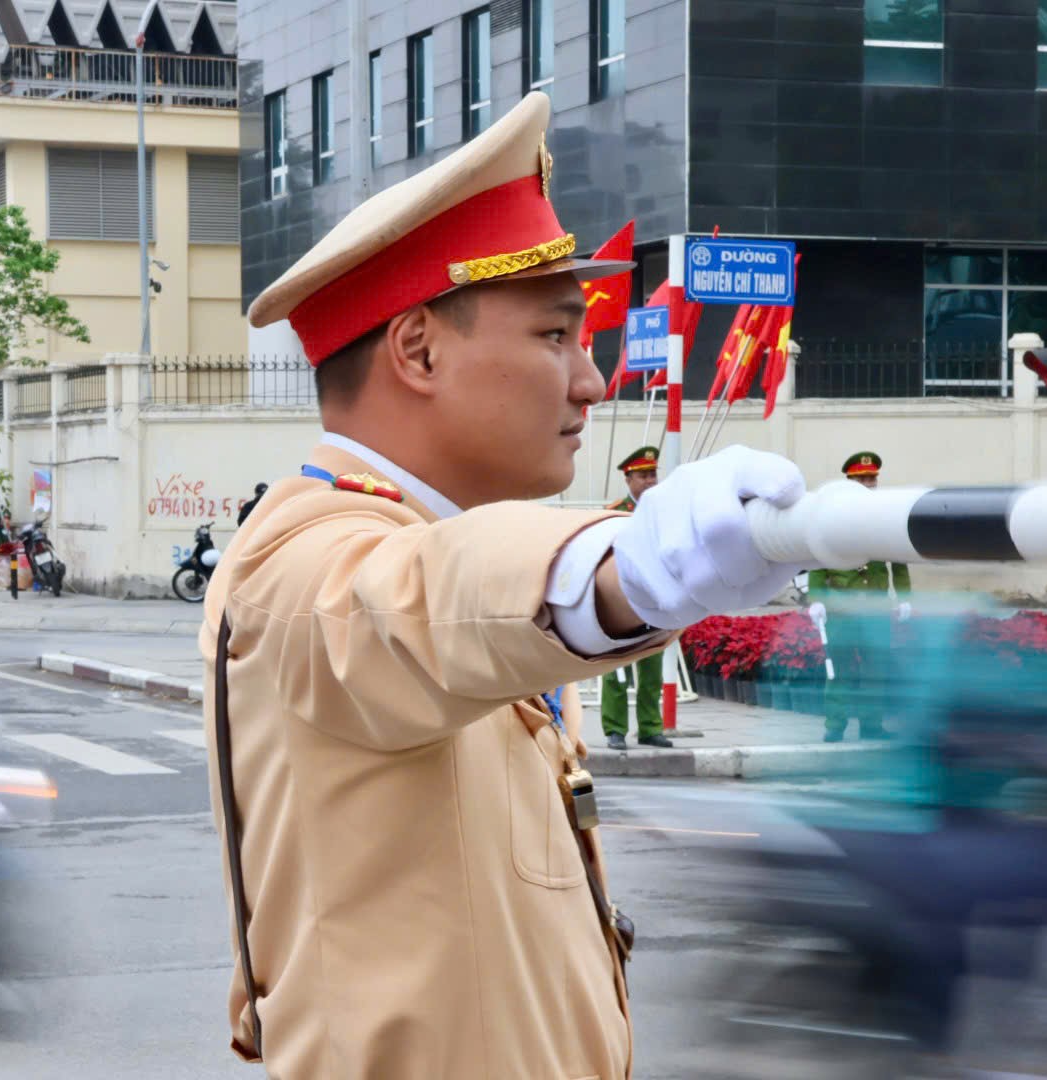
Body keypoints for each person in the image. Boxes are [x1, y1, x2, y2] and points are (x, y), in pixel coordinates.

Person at [200, 92, 805, 1079]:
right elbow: (420, 605)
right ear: (420, 349)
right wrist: (630, 569)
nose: (593, 380)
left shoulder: (427, 533)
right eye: (555, 336)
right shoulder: (298, 560)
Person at [807, 452, 910, 742]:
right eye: (861, 479)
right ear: (849, 481)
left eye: (871, 478)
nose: (868, 483)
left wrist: (904, 596)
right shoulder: (833, 512)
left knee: (875, 670)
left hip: (876, 609)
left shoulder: (886, 514)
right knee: (838, 671)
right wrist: (816, 598)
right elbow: (818, 555)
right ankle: (835, 726)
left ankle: (872, 725)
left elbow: (899, 556)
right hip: (842, 607)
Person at [602, 447, 670, 750]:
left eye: (653, 475)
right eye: (643, 476)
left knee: (652, 669)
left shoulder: (665, 513)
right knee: (616, 668)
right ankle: (615, 729)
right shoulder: (615, 512)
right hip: (621, 601)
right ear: (628, 479)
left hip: (654, 602)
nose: (650, 481)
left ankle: (650, 728)